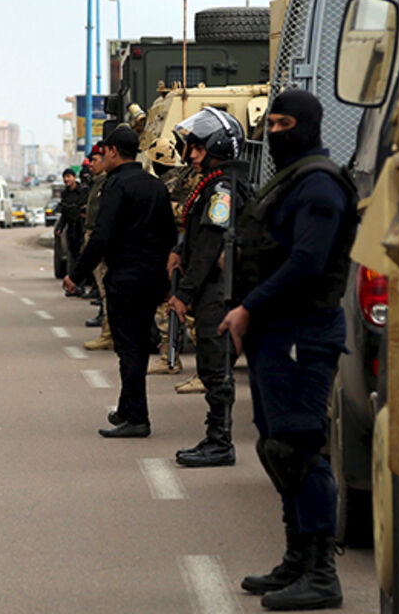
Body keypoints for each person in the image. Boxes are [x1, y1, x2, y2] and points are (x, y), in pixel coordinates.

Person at [220, 89, 356, 610]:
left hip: (303, 333)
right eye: (270, 123)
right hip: (277, 335)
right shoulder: (289, 179)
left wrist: (249, 306)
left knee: (300, 449)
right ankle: (296, 559)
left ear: (308, 125)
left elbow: (308, 262)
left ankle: (321, 572)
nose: (274, 132)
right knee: (277, 447)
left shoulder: (318, 184)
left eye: (284, 124)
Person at [64, 123, 176, 438]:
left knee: (129, 348)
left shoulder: (116, 186)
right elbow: (169, 234)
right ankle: (126, 409)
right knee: (137, 343)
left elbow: (101, 236)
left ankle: (138, 418)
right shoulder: (155, 185)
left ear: (113, 152)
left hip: (126, 278)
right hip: (152, 278)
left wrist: (76, 275)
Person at [167, 108, 253, 468]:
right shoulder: (215, 184)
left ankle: (221, 442)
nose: (191, 155)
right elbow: (197, 237)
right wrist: (176, 251)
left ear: (216, 146)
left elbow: (209, 246)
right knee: (210, 365)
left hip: (218, 291)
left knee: (216, 369)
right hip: (211, 288)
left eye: (198, 148)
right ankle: (214, 437)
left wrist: (183, 295)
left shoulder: (222, 189)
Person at [146, 132, 204, 385]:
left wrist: (162, 206)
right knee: (167, 306)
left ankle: (205, 370)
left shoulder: (189, 179)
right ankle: (169, 357)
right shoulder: (181, 178)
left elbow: (190, 212)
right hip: (175, 249)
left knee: (191, 312)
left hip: (188, 248)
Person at [82, 145, 112, 350]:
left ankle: (109, 333)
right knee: (102, 288)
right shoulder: (97, 183)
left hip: (99, 239)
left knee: (105, 289)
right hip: (92, 235)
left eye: (95, 160)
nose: (91, 164)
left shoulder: (108, 184)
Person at [55, 168, 88, 284]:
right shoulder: (65, 194)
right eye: (65, 177)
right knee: (72, 255)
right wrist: (60, 227)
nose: (66, 179)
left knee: (82, 254)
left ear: (74, 178)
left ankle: (82, 282)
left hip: (81, 226)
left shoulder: (83, 191)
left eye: (69, 176)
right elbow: (64, 212)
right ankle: (74, 283)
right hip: (71, 228)